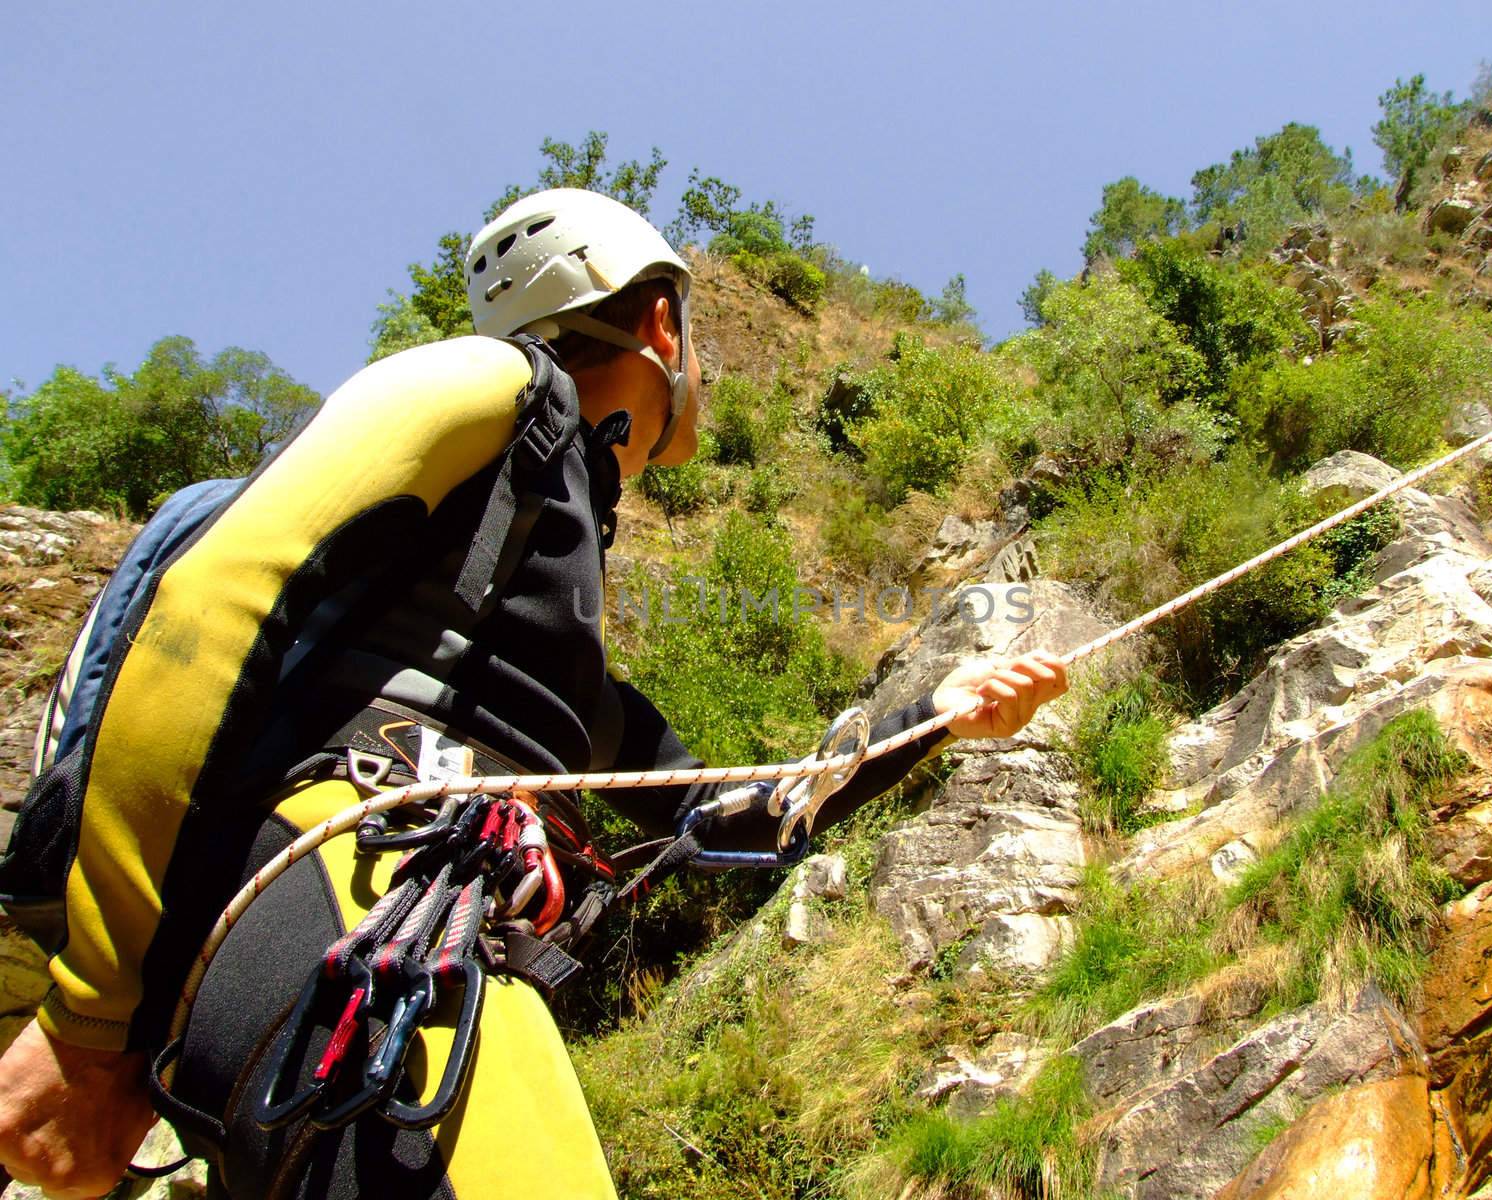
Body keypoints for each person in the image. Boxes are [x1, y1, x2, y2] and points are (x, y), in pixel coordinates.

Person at [0, 189, 1069, 1198]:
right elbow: (212, 611)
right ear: (661, 322)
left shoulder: (543, 654)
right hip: (360, 901)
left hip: (391, 941)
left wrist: (937, 716)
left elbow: (741, 809)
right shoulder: (489, 382)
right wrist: (91, 1023)